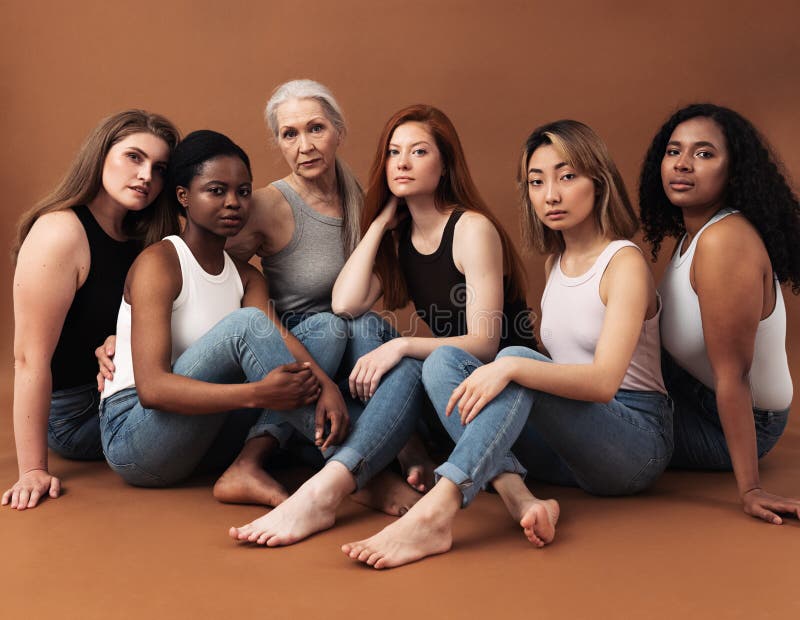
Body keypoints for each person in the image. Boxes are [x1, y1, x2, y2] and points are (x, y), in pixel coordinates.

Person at [343, 120, 672, 569]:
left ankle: (437, 512)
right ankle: (521, 498)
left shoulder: (624, 262)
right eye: (537, 182)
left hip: (634, 443)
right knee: (443, 362)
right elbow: (346, 305)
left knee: (514, 358)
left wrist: (512, 367)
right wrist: (384, 220)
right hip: (567, 453)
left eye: (567, 176)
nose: (550, 195)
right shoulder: (558, 261)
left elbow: (601, 384)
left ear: (599, 181)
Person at [228, 104, 534, 546]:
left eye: (419, 152)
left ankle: (332, 486)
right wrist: (381, 224)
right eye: (393, 153)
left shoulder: (472, 228)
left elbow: (485, 345)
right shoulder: (403, 236)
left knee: (422, 358)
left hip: (503, 397)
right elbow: (344, 304)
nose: (403, 163)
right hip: (452, 403)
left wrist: (404, 345)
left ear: (445, 163)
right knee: (366, 327)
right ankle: (356, 472)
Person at [98, 129, 351, 494]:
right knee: (246, 324)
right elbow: (152, 390)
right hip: (138, 439)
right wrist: (258, 395)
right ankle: (353, 465)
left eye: (243, 192)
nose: (234, 202)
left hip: (206, 433)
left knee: (327, 327)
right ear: (183, 196)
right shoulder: (161, 263)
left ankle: (247, 465)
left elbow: (281, 338)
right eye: (216, 190)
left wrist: (327, 386)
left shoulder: (247, 277)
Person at [222, 79, 432, 508]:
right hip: (295, 348)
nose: (305, 146)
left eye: (316, 128)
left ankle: (395, 450)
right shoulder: (268, 205)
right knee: (339, 326)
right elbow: (204, 268)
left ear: (339, 131)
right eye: (290, 134)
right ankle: (379, 464)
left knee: (368, 326)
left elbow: (382, 279)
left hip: (348, 352)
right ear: (279, 143)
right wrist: (128, 329)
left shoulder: (360, 194)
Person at [3, 110, 180, 511]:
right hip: (74, 415)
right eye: (134, 157)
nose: (146, 176)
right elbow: (28, 358)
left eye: (159, 168)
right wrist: (32, 469)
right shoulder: (61, 232)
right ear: (100, 156)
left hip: (127, 386)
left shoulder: (145, 235)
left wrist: (127, 337)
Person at [639, 103, 800, 524]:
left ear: (735, 171)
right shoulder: (692, 236)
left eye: (704, 154)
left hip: (739, 418)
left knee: (584, 425)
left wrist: (750, 489)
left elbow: (734, 376)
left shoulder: (725, 241)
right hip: (689, 389)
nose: (683, 165)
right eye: (674, 151)